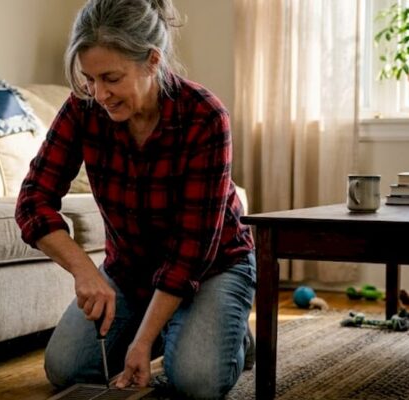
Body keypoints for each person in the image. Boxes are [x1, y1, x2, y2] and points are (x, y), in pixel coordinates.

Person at [14, 0, 256, 398]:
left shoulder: (206, 117)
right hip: (130, 270)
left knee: (196, 381)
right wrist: (86, 273)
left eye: (111, 78)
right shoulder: (83, 107)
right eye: (89, 79)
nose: (100, 94)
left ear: (151, 62)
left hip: (213, 267)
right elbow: (32, 201)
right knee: (66, 367)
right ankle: (181, 328)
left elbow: (191, 251)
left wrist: (142, 344)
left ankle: (226, 334)